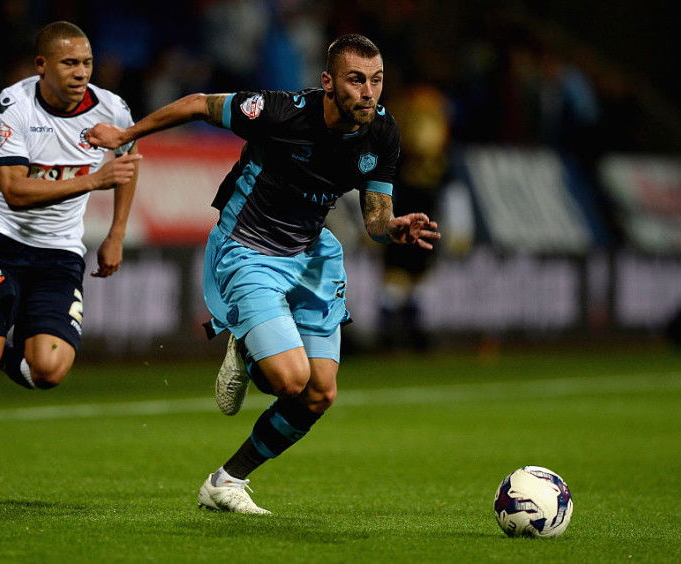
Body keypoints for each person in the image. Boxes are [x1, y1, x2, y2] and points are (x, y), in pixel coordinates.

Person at [87, 33, 439, 514]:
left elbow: (376, 219)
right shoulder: (279, 111)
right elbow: (198, 104)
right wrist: (126, 135)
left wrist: (392, 228)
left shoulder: (382, 132)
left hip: (311, 255)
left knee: (319, 393)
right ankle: (247, 348)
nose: (368, 92)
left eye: (376, 80)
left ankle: (225, 481)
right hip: (248, 248)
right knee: (289, 380)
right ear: (328, 82)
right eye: (356, 80)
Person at [0, 21, 142, 500]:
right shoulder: (15, 105)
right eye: (69, 63)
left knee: (47, 372)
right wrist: (92, 181)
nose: (81, 72)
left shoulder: (112, 108)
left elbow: (129, 160)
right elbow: (14, 190)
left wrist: (116, 232)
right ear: (41, 66)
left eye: (87, 62)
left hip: (59, 251)